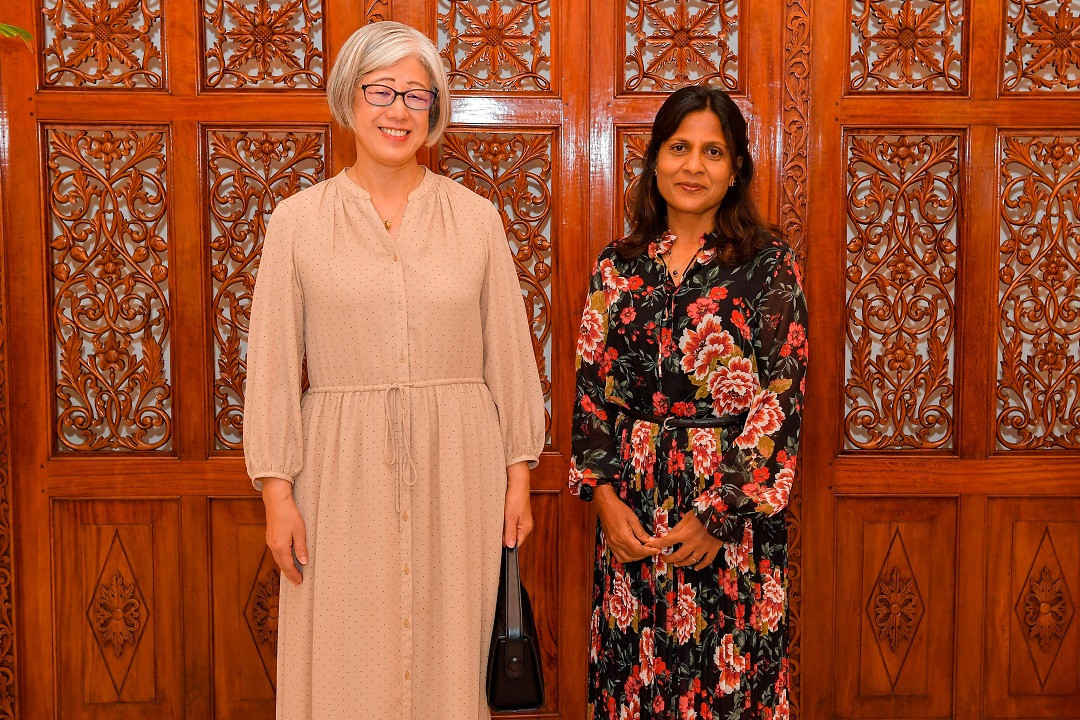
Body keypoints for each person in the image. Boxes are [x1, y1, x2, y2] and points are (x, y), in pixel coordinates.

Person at [243, 21, 546, 720]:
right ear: (348, 99)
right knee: (345, 647)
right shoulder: (297, 222)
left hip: (458, 466)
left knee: (450, 646)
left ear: (434, 112)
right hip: (339, 469)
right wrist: (276, 492)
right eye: (381, 90)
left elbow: (509, 353)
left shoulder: (476, 220)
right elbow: (274, 364)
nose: (399, 110)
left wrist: (519, 474)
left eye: (417, 94)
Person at [569, 85, 807, 719]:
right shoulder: (617, 266)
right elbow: (593, 388)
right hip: (634, 510)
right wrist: (604, 499)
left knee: (729, 686)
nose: (693, 166)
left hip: (731, 511)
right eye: (678, 148)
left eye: (713, 152)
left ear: (736, 170)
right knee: (634, 682)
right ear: (655, 161)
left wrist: (718, 514)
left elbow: (781, 397)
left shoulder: (768, 265)